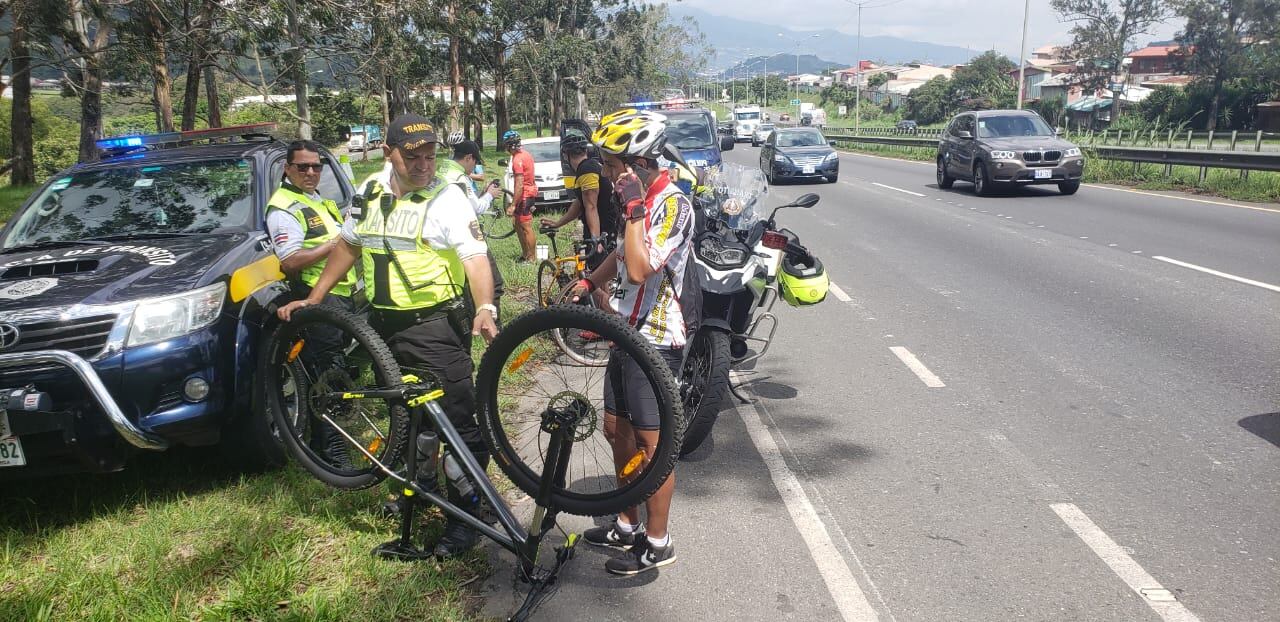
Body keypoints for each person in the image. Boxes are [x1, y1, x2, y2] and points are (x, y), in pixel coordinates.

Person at [277, 114, 499, 558]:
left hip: (434, 326)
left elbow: (475, 257)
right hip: (383, 326)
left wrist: (485, 308)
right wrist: (315, 298)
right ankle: (418, 490)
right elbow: (349, 244)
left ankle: (469, 515)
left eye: (430, 156)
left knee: (457, 423)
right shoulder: (370, 190)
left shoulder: (447, 198)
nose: (423, 165)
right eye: (412, 157)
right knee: (409, 419)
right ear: (388, 153)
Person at [571, 109, 695, 575]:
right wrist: (590, 281)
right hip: (624, 333)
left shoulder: (673, 205)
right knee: (615, 430)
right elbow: (624, 254)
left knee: (652, 447)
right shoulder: (637, 201)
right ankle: (627, 524)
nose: (605, 173)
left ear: (639, 164)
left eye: (611, 164)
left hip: (656, 341)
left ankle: (658, 541)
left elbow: (642, 269)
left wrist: (636, 209)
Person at [265, 140, 359, 464]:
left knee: (336, 367)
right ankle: (331, 451)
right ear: (287, 169)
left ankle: (333, 438)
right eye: (302, 166)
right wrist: (334, 245)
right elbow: (290, 261)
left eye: (316, 166)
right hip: (314, 295)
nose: (310, 172)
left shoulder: (315, 199)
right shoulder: (284, 208)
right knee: (327, 373)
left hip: (339, 295)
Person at [442, 139, 505, 325]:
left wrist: (482, 193)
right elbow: (476, 208)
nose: (474, 167)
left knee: (466, 284)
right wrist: (490, 195)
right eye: (475, 162)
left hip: (447, 237)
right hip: (467, 236)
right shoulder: (460, 178)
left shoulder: (443, 170)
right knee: (494, 283)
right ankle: (494, 328)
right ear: (469, 158)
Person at [503, 129, 538, 262]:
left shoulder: (517, 159)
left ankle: (532, 258)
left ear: (509, 145)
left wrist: (513, 205)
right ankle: (525, 254)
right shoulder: (525, 154)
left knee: (525, 226)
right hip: (528, 192)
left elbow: (519, 184)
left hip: (525, 195)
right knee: (517, 223)